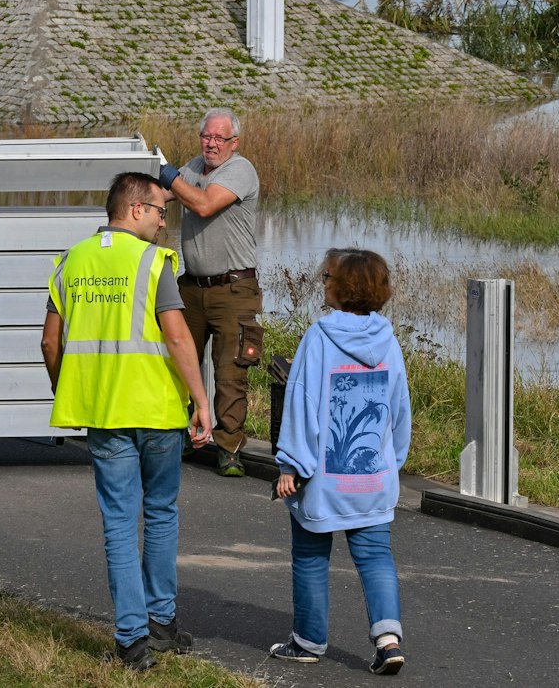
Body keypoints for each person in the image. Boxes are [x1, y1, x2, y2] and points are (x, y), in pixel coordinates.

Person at [42, 172, 214, 673]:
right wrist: (201, 401)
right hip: (158, 411)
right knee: (160, 513)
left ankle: (132, 641)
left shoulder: (70, 261)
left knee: (120, 522)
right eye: (161, 211)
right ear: (135, 209)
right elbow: (179, 339)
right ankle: (162, 622)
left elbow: (51, 343)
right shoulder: (152, 262)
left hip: (104, 414)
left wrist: (68, 388)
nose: (165, 222)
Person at [269, 248, 411, 676]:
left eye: (327, 276)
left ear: (341, 286)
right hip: (373, 475)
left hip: (323, 479)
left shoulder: (319, 337)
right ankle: (388, 642)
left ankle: (308, 641)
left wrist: (290, 465)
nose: (323, 281)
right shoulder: (388, 339)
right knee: (375, 557)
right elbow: (398, 408)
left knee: (311, 555)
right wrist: (392, 461)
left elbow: (301, 404)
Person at [159, 107, 261, 476]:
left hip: (233, 287)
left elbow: (202, 205)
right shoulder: (193, 167)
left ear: (234, 142)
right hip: (193, 285)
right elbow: (163, 194)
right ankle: (179, 436)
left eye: (220, 138)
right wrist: (144, 183)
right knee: (177, 361)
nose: (212, 144)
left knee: (230, 370)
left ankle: (229, 448)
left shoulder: (240, 170)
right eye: (207, 137)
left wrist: (170, 177)